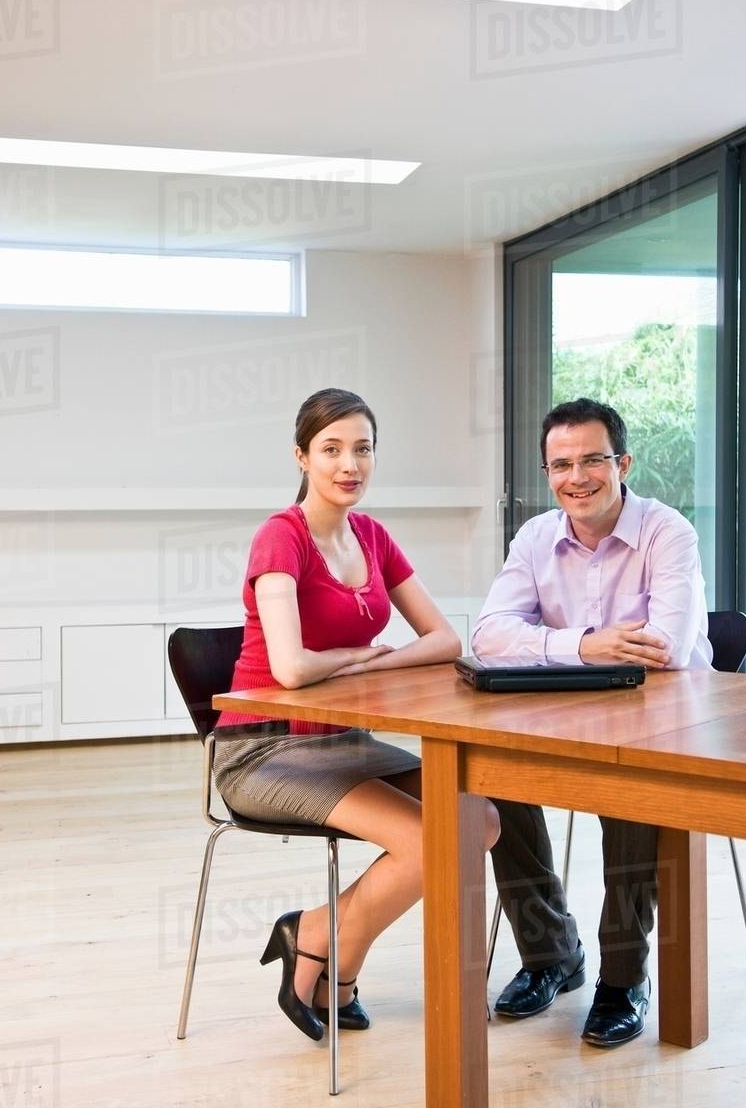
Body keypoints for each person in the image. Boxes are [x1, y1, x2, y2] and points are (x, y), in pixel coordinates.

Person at [215, 386, 500, 1041]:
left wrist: (366, 664)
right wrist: (356, 654)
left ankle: (321, 939)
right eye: (332, 449)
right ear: (301, 457)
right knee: (433, 841)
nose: (351, 464)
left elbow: (445, 640)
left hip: (342, 741)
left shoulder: (372, 536)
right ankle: (326, 949)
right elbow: (289, 668)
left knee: (478, 820)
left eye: (363, 449)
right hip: (263, 748)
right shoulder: (279, 538)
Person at [472, 397, 712, 1047]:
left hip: (663, 723)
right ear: (548, 474)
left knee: (630, 793)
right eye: (561, 464)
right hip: (565, 715)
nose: (577, 477)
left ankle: (624, 977)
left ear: (623, 462)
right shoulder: (534, 539)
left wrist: (555, 642)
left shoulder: (669, 533)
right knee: (491, 776)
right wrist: (587, 646)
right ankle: (552, 955)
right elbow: (490, 634)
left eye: (592, 460)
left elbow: (665, 647)